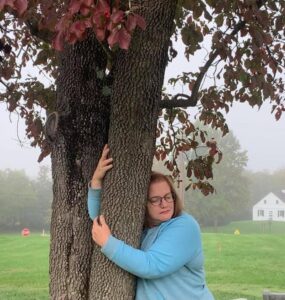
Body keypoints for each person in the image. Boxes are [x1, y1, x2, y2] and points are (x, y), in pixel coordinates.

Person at [88, 145, 214, 300]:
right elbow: (101, 221)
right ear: (141, 204)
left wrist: (108, 243)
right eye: (155, 199)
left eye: (168, 197)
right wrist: (96, 181)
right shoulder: (142, 228)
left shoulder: (185, 226)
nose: (164, 204)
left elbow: (152, 266)